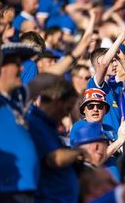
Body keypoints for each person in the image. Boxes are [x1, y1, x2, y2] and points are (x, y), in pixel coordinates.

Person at [26, 74, 88, 203]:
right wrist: (79, 152)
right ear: (57, 102)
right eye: (68, 108)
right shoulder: (35, 124)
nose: (67, 113)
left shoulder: (48, 126)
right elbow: (55, 158)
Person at [0, 42, 40, 203]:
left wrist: (74, 54)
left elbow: (45, 80)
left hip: (25, 189)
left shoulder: (15, 100)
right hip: (6, 190)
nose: (22, 69)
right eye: (17, 64)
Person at [87, 27, 125, 131]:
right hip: (103, 138)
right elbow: (105, 63)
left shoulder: (113, 86)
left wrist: (122, 60)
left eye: (115, 61)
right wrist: (121, 38)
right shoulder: (95, 84)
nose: (115, 64)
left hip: (116, 137)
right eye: (112, 61)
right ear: (99, 62)